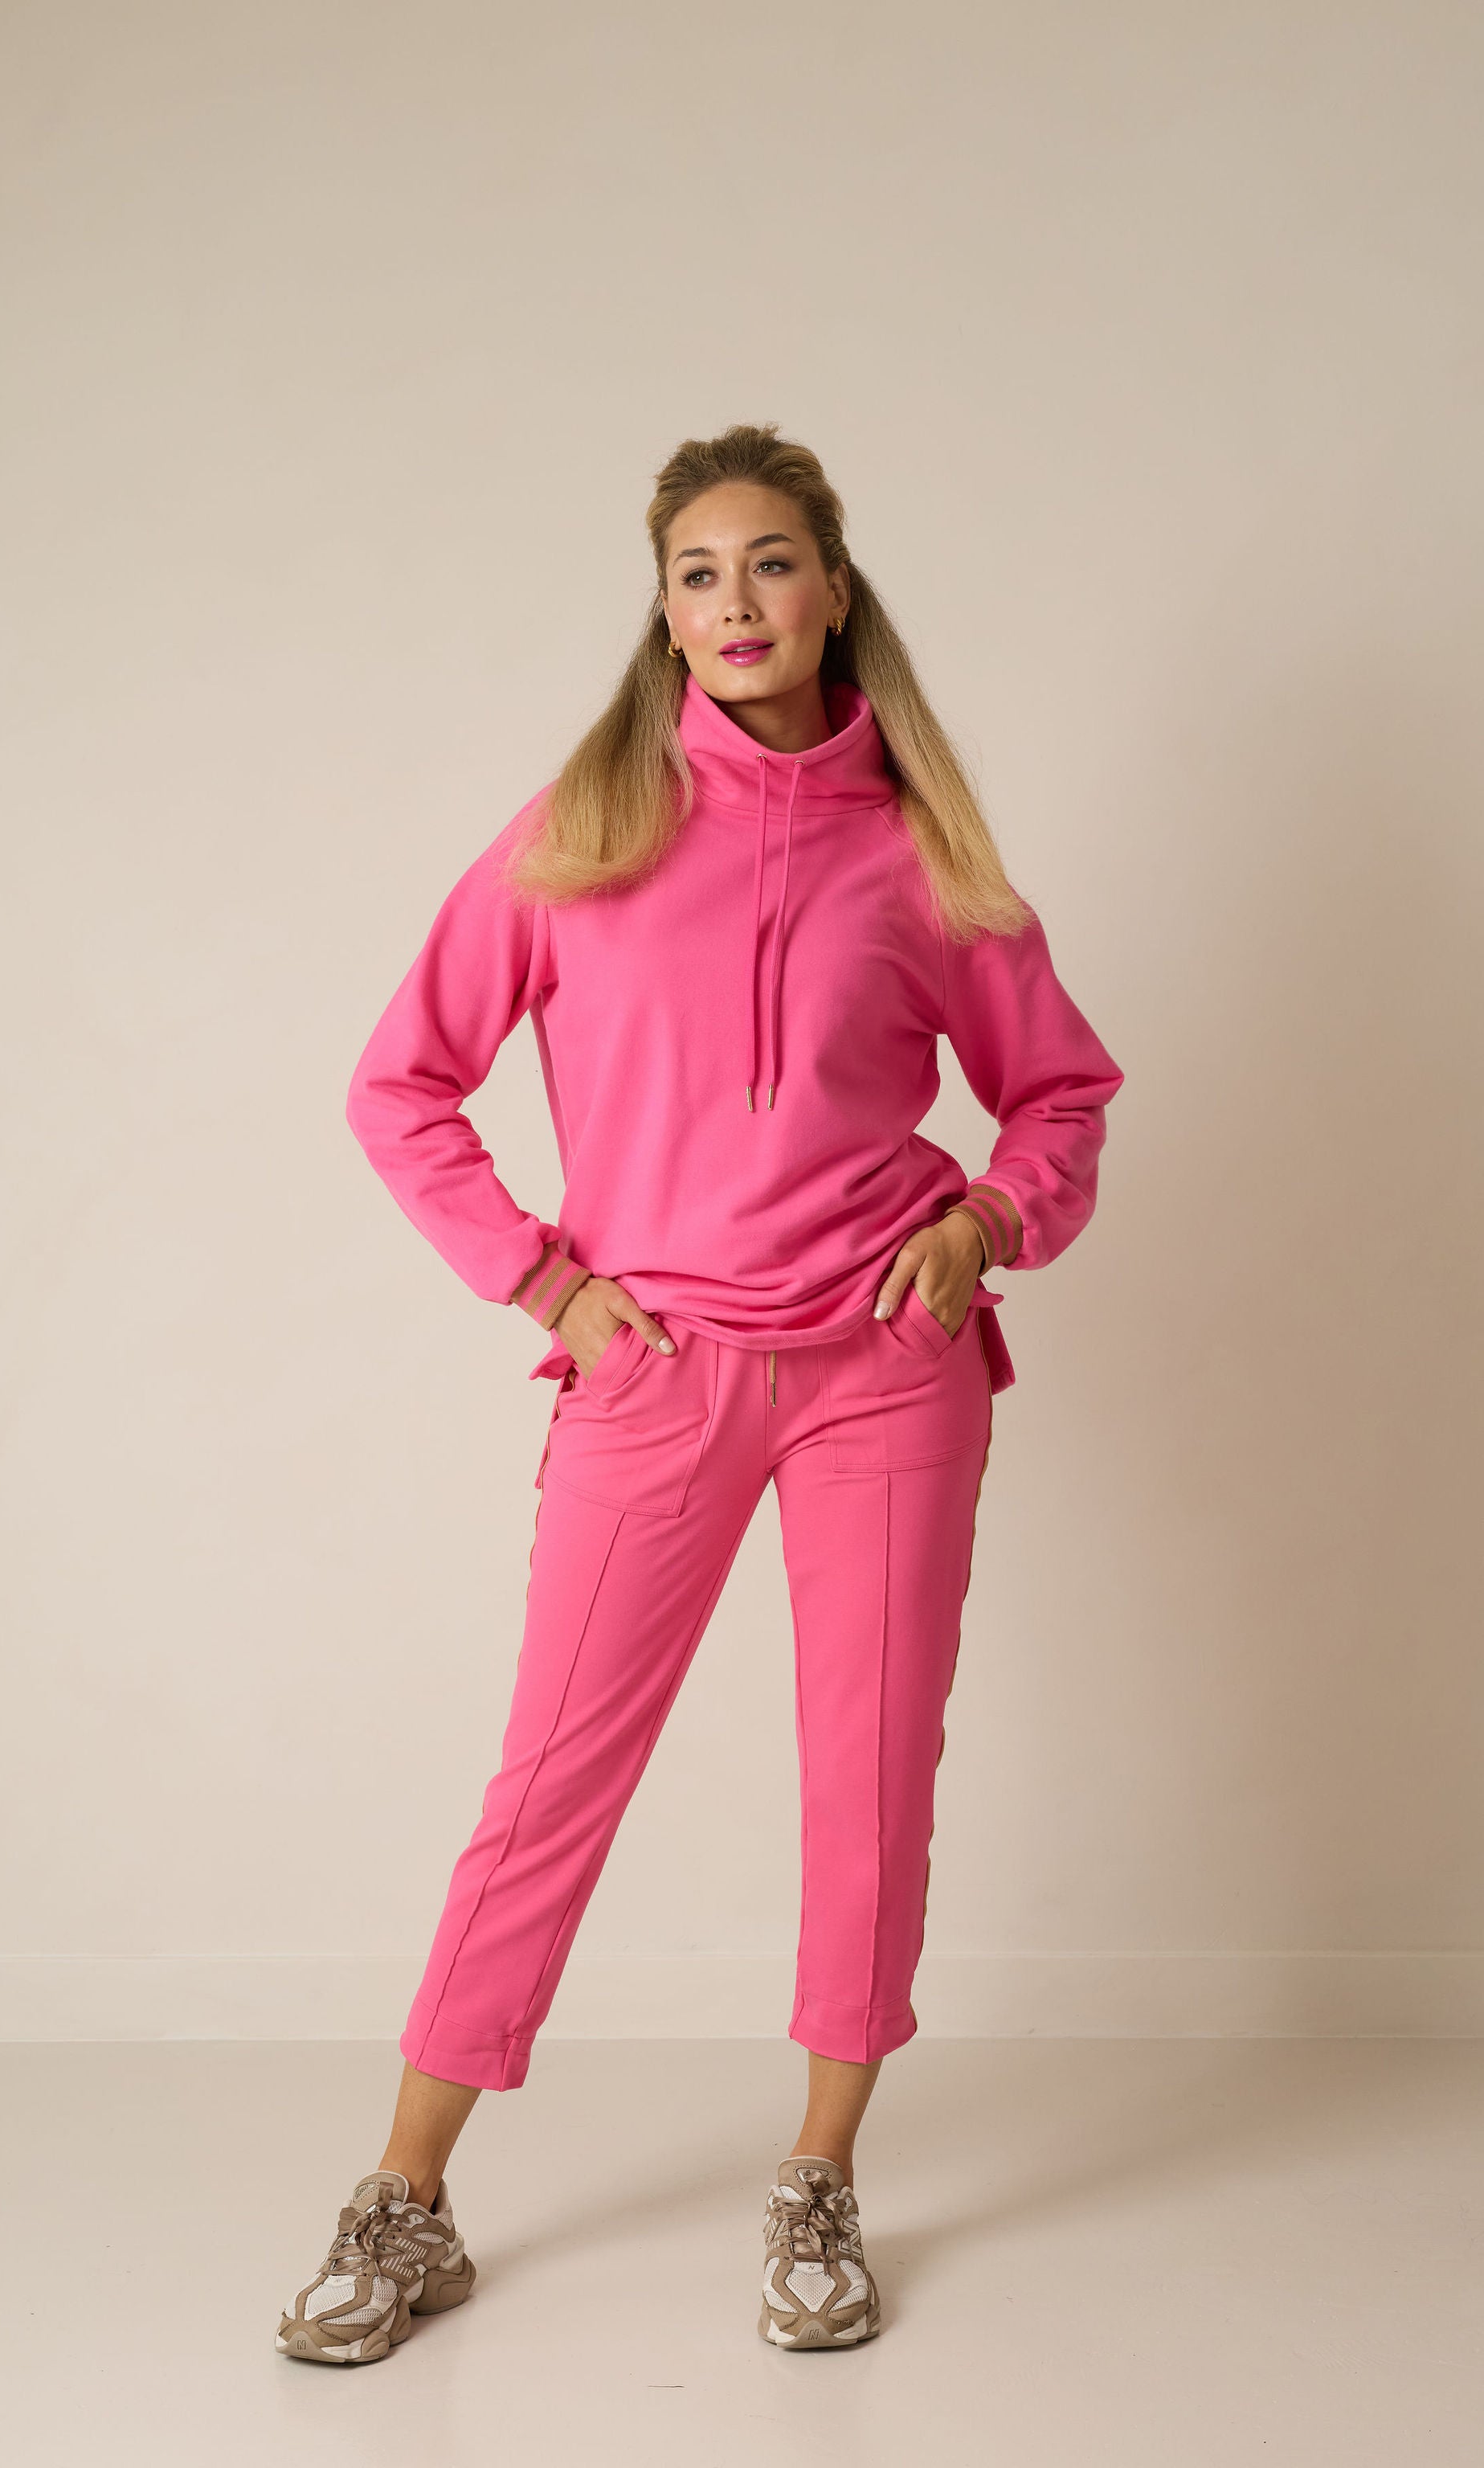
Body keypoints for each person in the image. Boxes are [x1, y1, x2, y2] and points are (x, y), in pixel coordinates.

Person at [276, 422, 1124, 2363]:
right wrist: (545, 1281)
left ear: (832, 590)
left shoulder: (921, 846)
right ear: (664, 614)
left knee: (871, 1780)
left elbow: (1061, 1095)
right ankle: (406, 2198)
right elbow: (400, 1084)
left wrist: (986, 1223)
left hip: (885, 1373)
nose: (734, 603)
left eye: (768, 563)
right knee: (547, 1785)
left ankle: (820, 2176)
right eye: (696, 574)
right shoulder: (582, 829)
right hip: (652, 1371)